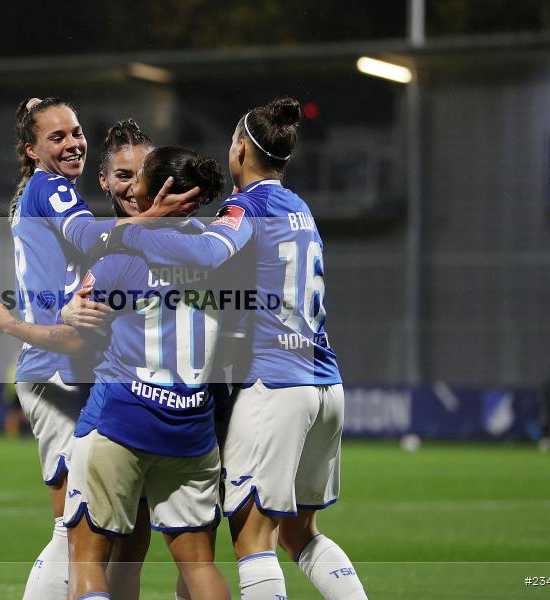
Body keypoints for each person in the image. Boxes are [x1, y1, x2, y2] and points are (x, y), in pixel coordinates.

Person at [107, 98, 368, 599]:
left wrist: (139, 229)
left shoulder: (247, 207)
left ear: (242, 149)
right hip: (325, 382)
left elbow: (207, 252)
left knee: (252, 541)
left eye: (231, 141)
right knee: (299, 534)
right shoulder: (299, 208)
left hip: (276, 384)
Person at [0, 145, 231, 600]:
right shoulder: (217, 252)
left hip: (123, 418)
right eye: (123, 176)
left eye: (140, 176)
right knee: (193, 564)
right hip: (192, 426)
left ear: (161, 191)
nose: (131, 187)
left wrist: (14, 324)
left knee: (84, 553)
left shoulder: (120, 257)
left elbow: (77, 339)